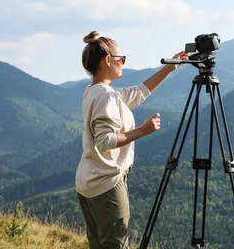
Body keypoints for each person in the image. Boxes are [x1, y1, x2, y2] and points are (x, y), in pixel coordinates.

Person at [75, 30, 188, 249]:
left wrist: (169, 68)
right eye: (121, 58)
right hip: (106, 184)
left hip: (88, 180)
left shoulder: (95, 91)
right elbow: (105, 141)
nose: (123, 63)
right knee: (116, 244)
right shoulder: (106, 96)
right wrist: (142, 131)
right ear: (108, 60)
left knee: (98, 244)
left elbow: (138, 92)